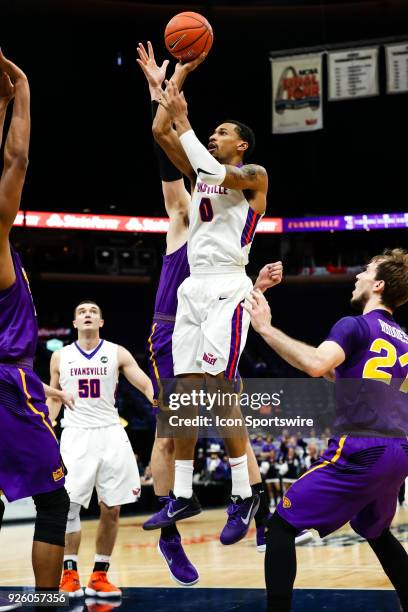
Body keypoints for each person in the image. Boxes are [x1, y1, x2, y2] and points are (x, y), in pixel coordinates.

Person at [136, 41, 283, 562]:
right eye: (212, 132)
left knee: (221, 392)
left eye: (224, 133)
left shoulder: (253, 177)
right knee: (184, 394)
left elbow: (210, 168)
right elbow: (160, 133)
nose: (215, 137)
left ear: (241, 146)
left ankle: (245, 497)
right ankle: (181, 494)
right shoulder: (201, 170)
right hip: (193, 287)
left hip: (227, 287)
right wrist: (167, 88)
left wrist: (186, 121)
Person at [246, 248, 408, 611]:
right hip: (400, 451)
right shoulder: (403, 339)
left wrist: (265, 329)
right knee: (377, 532)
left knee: (281, 525)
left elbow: (318, 364)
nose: (357, 276)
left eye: (365, 271)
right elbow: (351, 377)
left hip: (363, 448)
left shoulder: (354, 325)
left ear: (378, 285)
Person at [0, 51, 72, 607]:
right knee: (52, 499)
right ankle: (46, 604)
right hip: (6, 383)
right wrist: (21, 87)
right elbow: (16, 160)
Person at [47, 301, 154, 598]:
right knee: (68, 506)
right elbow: (54, 397)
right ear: (75, 322)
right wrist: (46, 426)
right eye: (82, 312)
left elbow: (142, 381)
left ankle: (99, 576)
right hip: (76, 434)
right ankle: (68, 574)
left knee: (112, 507)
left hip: (110, 432)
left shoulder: (117, 352)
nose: (88, 314)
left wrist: (155, 396)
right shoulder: (60, 356)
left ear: (101, 322)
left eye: (93, 311)